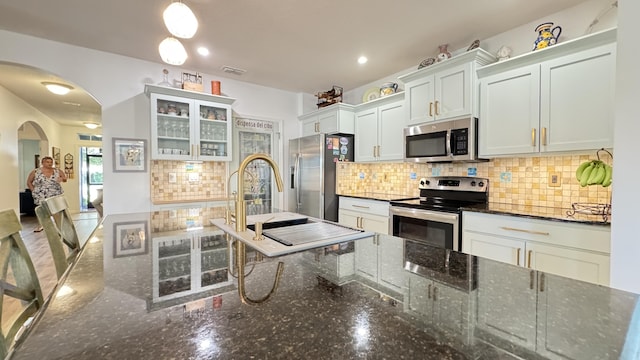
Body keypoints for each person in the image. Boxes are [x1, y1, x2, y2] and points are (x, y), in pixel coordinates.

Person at [27, 155, 67, 232]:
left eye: (51, 162)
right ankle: (41, 225)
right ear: (42, 163)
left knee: (56, 209)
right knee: (41, 210)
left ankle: (59, 227)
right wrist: (33, 191)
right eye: (47, 162)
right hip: (40, 194)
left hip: (55, 193)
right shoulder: (36, 171)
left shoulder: (57, 171)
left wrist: (62, 178)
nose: (50, 163)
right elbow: (29, 182)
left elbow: (65, 178)